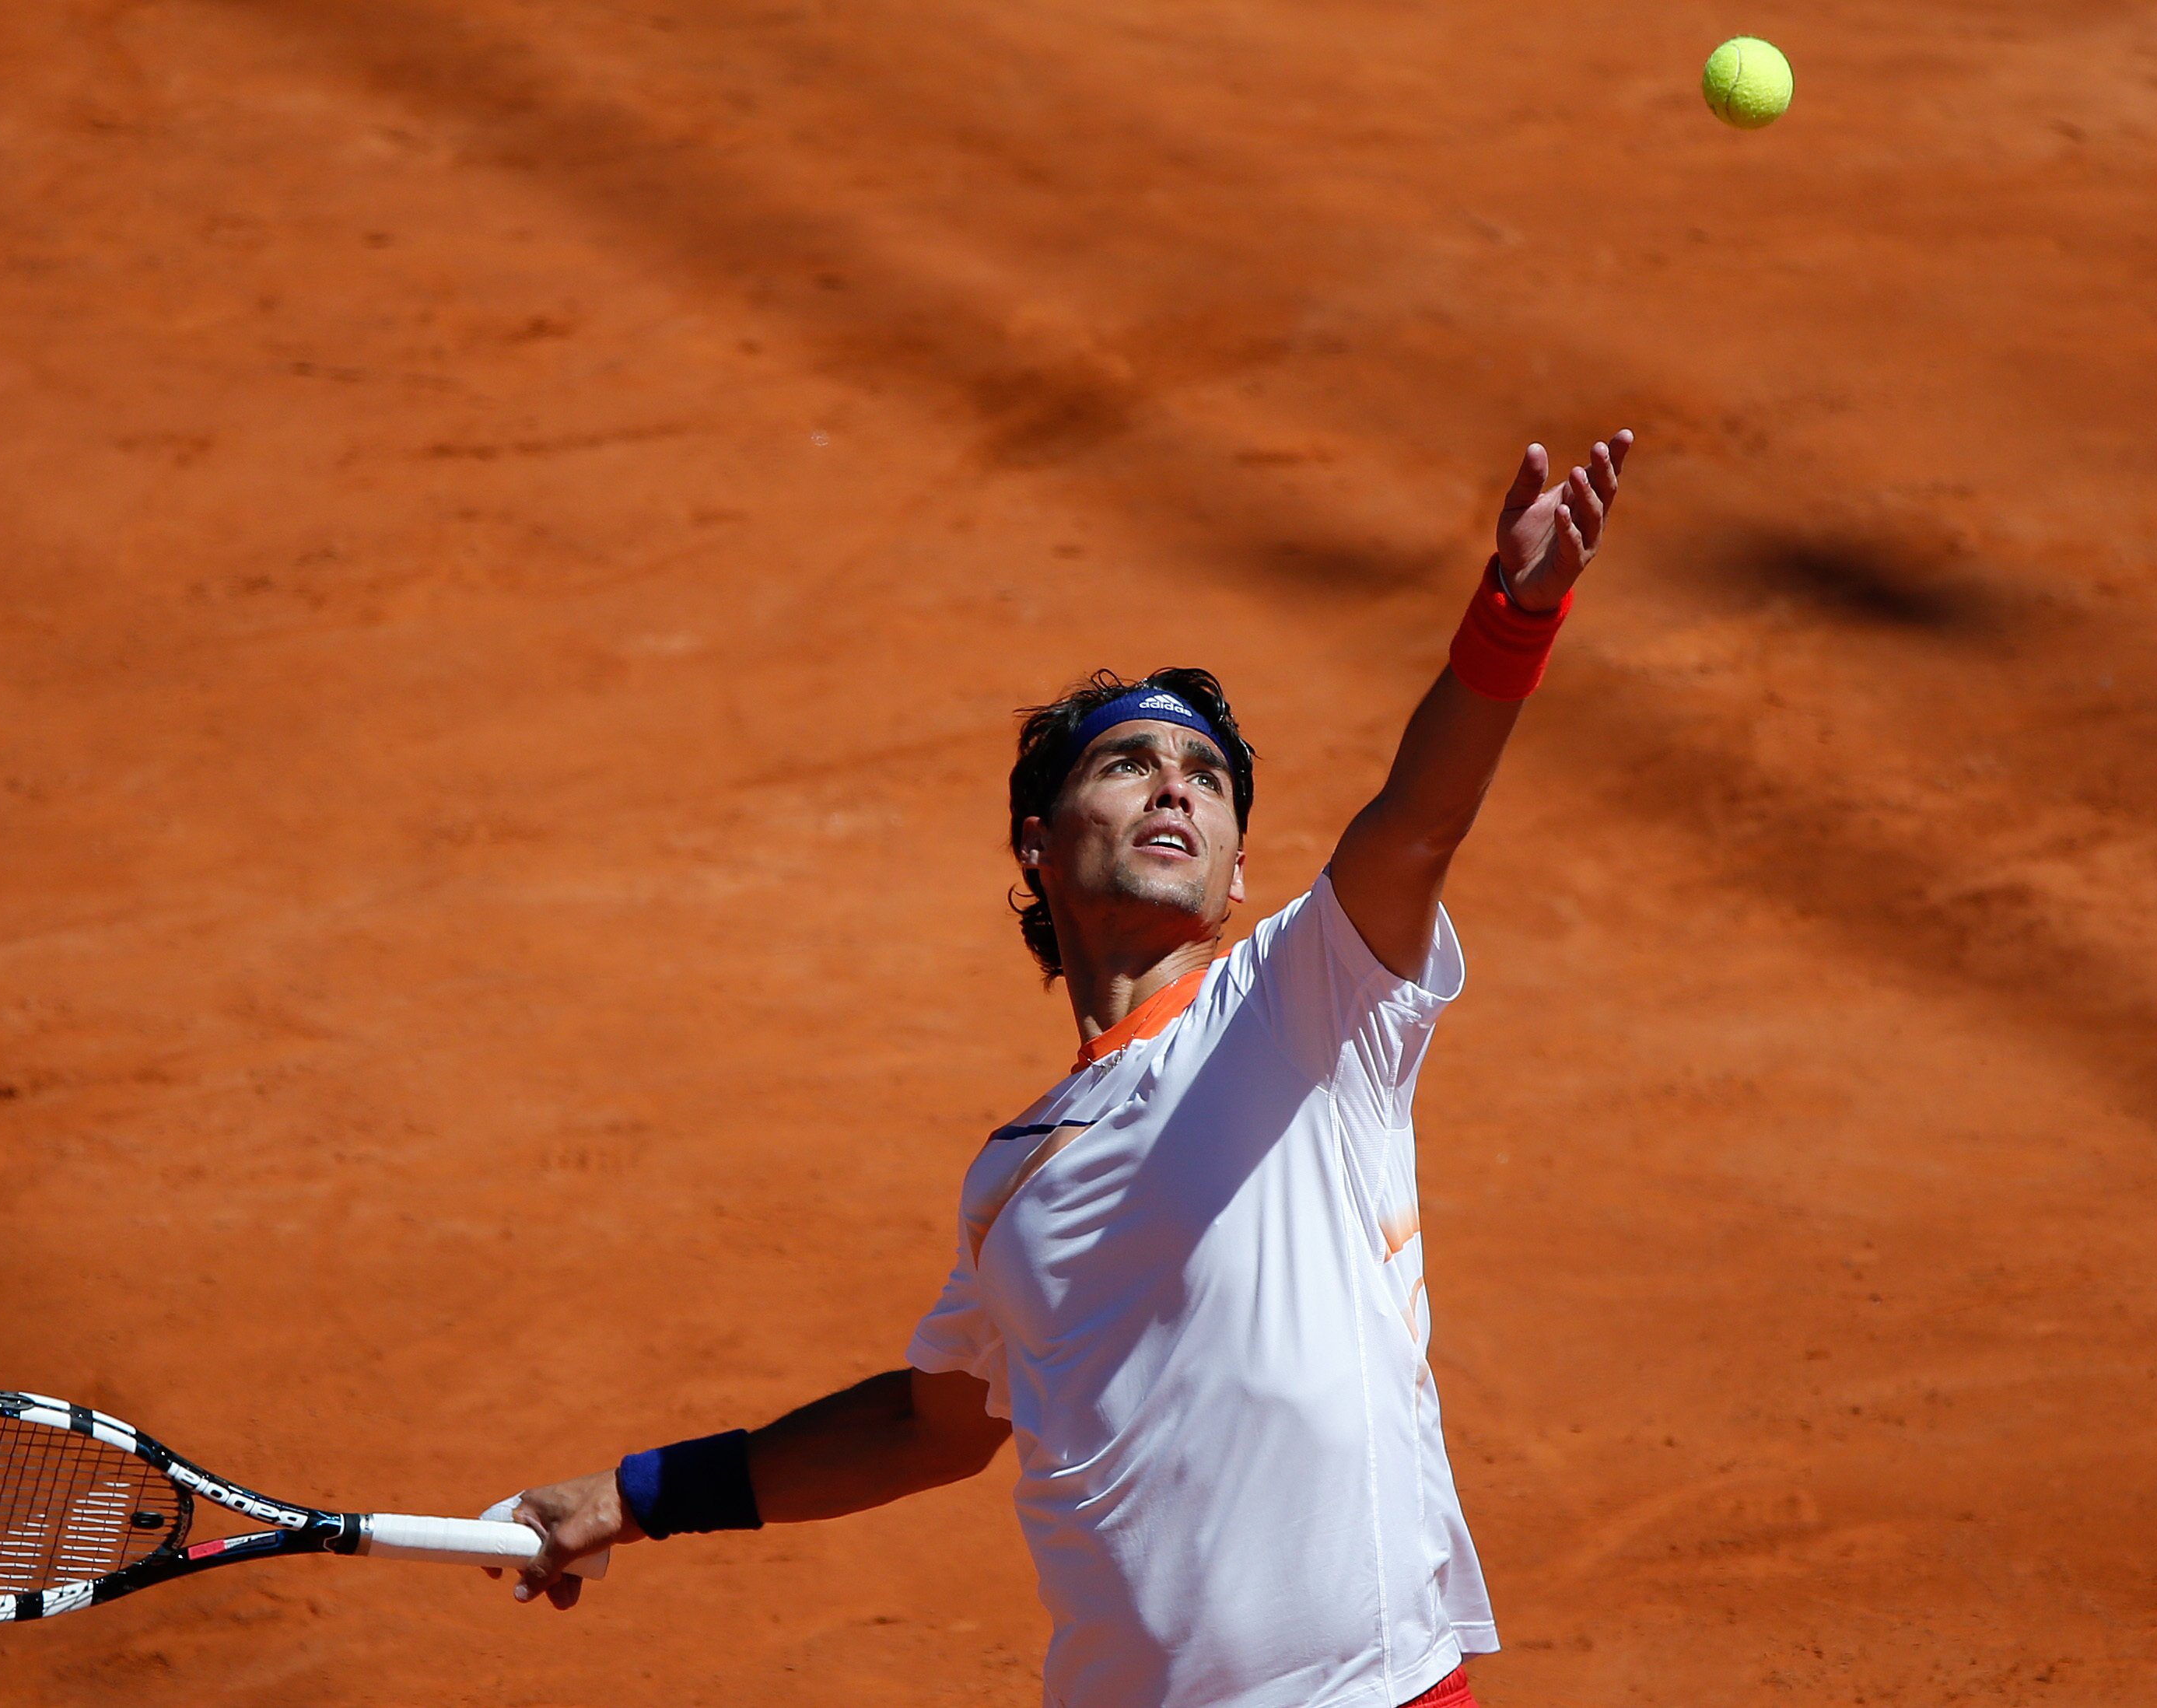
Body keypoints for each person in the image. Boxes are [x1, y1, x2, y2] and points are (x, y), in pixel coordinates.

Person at [496, 432, 1635, 1708]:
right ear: (1037, 844)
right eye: (1129, 760)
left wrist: (1515, 615)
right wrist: (633, 1497)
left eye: (1207, 778)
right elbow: (923, 1427)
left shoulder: (1305, 1003)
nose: (1176, 787)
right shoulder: (1009, 1183)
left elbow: (1420, 819)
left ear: (1238, 874)